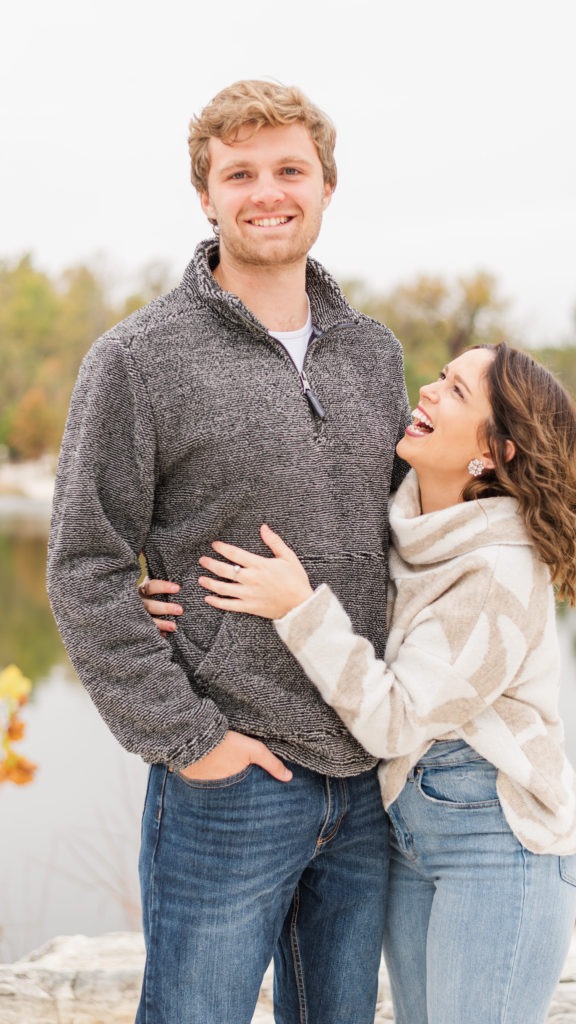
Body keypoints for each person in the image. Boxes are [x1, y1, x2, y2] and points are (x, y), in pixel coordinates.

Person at [47, 80, 411, 1024]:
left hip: (367, 777)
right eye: (238, 172)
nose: (267, 191)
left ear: (328, 186)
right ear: (205, 196)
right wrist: (191, 739)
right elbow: (86, 563)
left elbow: (410, 537)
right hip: (230, 782)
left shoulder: (375, 354)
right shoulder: (138, 358)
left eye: (290, 169)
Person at [144, 342, 576, 1024]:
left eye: (457, 393)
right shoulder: (407, 513)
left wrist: (299, 607)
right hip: (409, 829)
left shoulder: (498, 570)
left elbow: (393, 719)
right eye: (441, 377)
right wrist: (163, 599)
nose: (430, 392)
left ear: (495, 453)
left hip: (502, 841)